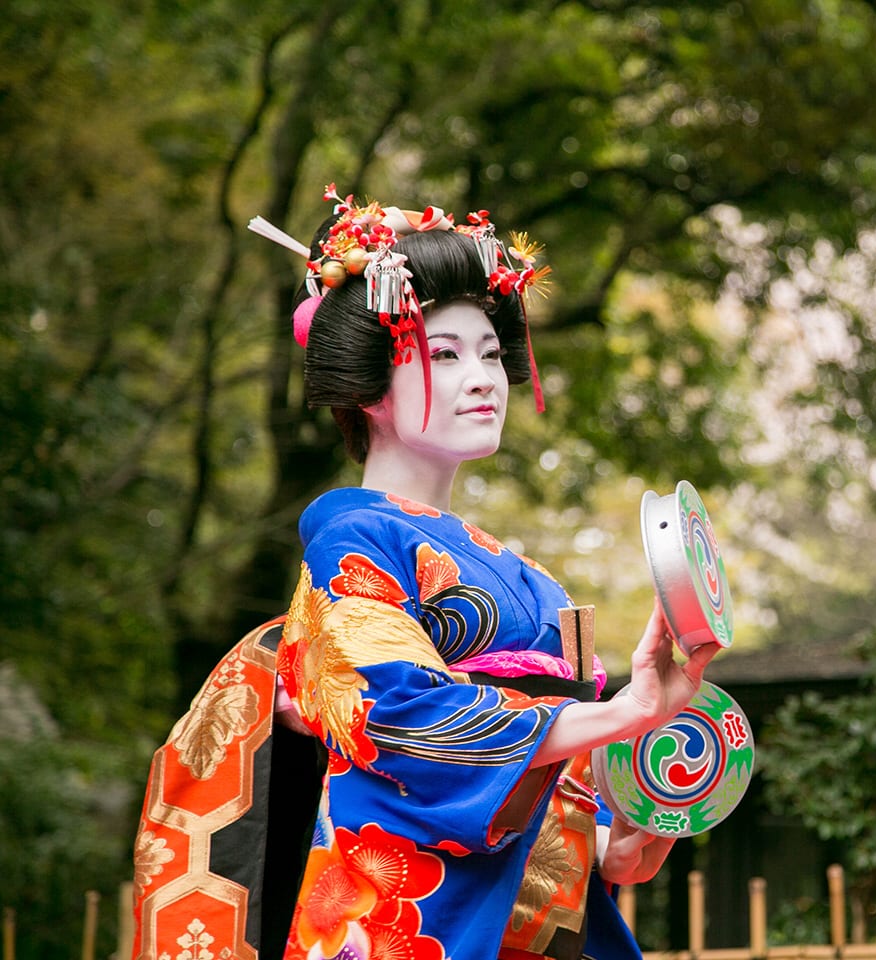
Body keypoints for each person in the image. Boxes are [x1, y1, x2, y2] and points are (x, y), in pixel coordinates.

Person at [130, 185, 717, 960]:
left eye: (489, 353)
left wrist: (614, 839)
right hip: (405, 916)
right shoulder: (352, 537)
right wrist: (625, 711)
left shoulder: (537, 581)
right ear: (369, 387)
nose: (483, 377)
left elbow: (550, 775)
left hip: (520, 924)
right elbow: (399, 716)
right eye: (444, 355)